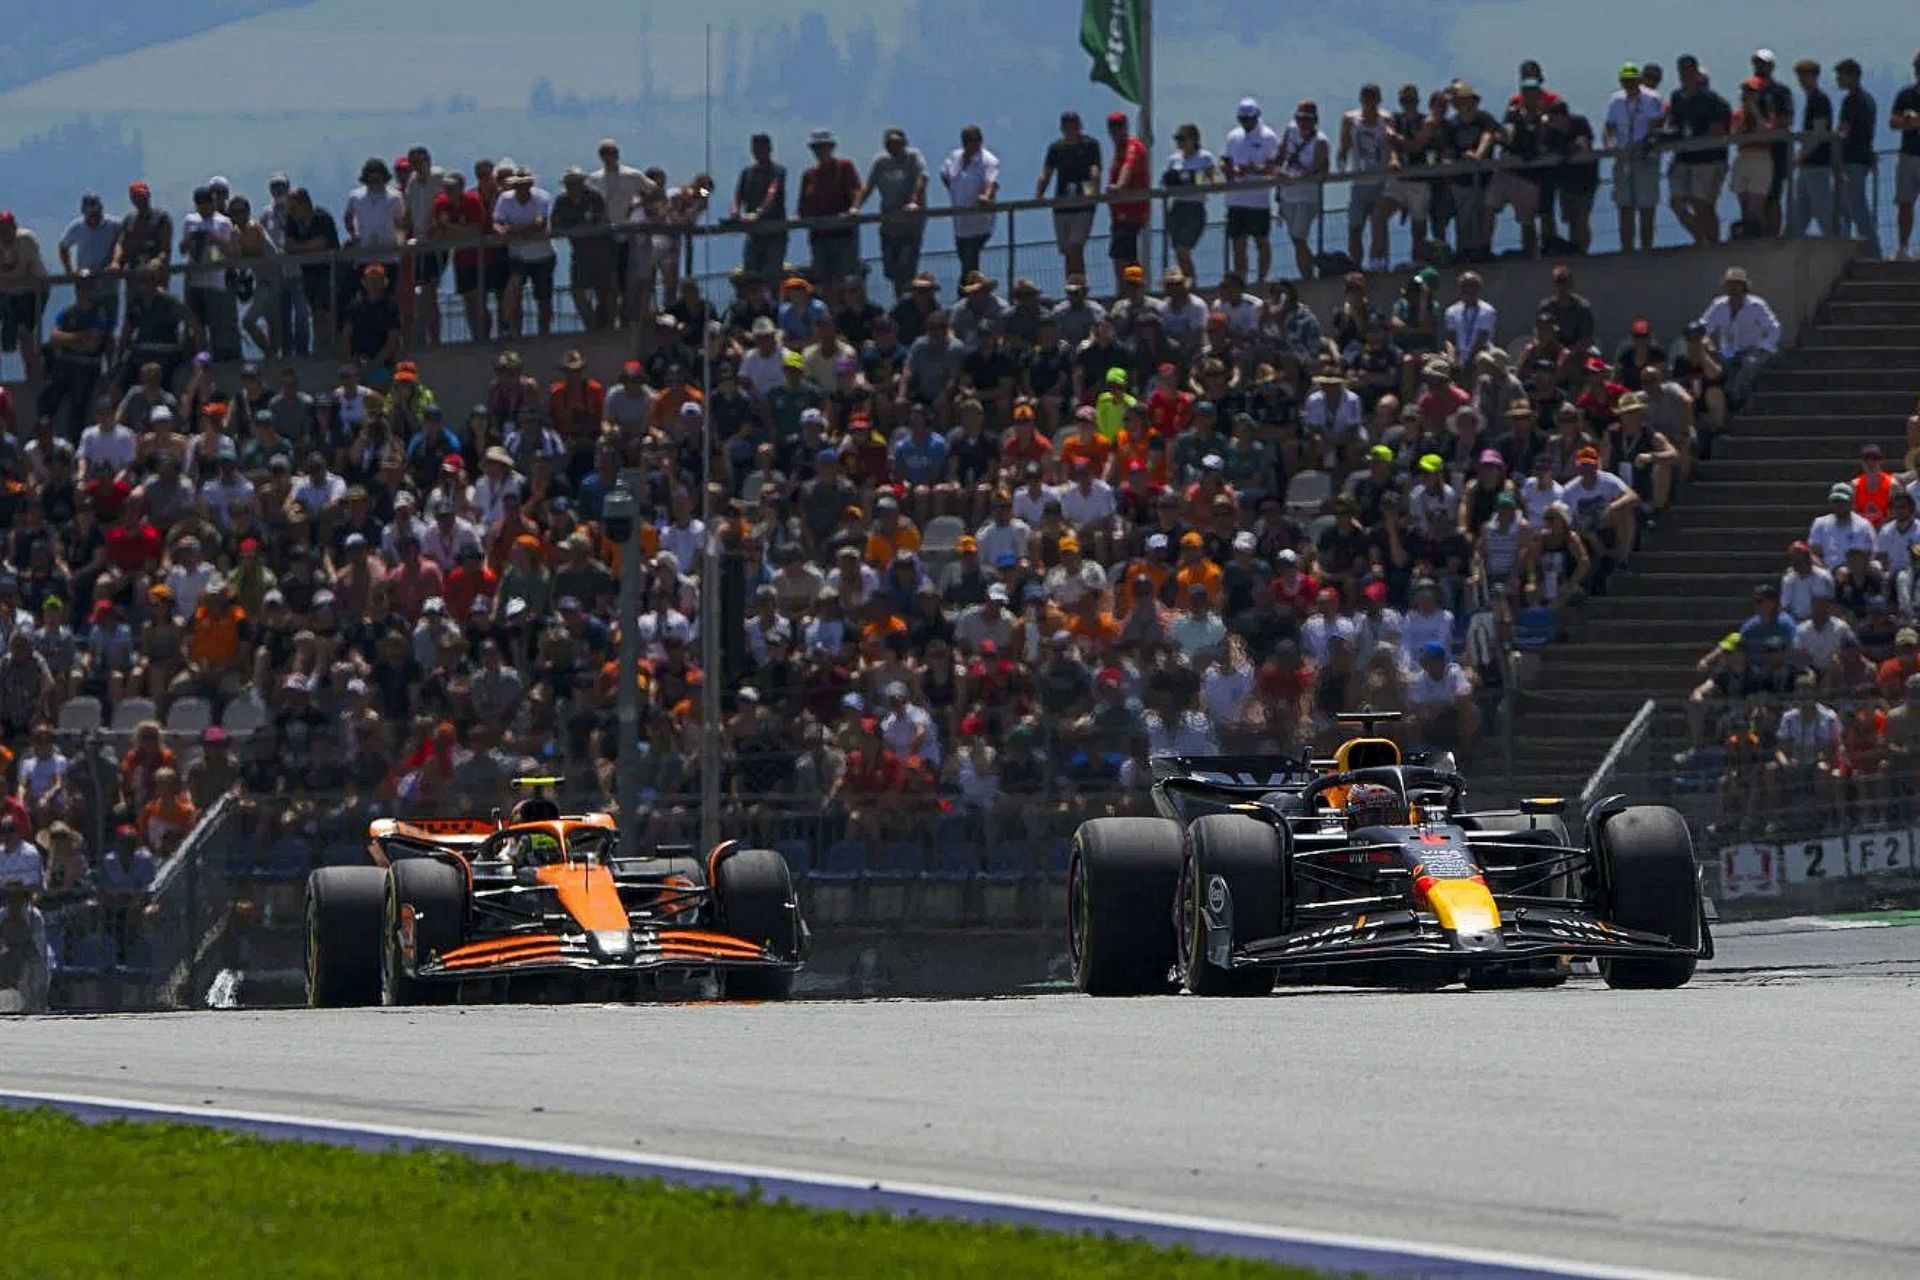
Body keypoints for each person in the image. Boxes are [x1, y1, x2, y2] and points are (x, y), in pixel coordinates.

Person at [1666, 56, 1731, 247]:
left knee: (1702, 203)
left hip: (1707, 159)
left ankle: (1712, 241)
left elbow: (1717, 131)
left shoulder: (1713, 101)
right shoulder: (1677, 97)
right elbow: (1674, 124)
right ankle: (1701, 238)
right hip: (1683, 157)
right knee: (1677, 202)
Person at [856, 127, 928, 298]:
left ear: (905, 143)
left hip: (910, 226)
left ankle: (910, 303)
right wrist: (856, 207)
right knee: (892, 271)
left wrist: (914, 202)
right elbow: (869, 186)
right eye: (890, 143)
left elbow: (922, 178)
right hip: (889, 225)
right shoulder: (881, 162)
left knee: (907, 268)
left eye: (898, 143)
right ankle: (900, 302)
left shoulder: (914, 157)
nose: (894, 147)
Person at [1604, 62, 1666, 252]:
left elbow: (1658, 123)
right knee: (1624, 205)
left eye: (1632, 81)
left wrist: (1646, 144)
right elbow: (1609, 126)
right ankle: (1627, 249)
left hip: (1645, 157)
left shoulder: (1652, 98)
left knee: (1647, 205)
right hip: (1623, 158)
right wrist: (1610, 145)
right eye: (1626, 81)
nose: (1629, 85)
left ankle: (1647, 248)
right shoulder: (1616, 100)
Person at [1695, 266, 1779, 406]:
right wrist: (1706, 341)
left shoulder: (1756, 305)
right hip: (1727, 351)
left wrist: (1764, 347)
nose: (1733, 288)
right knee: (1717, 365)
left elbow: (1774, 327)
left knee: (1749, 364)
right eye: (1730, 284)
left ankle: (1736, 398)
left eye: (1737, 284)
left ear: (1744, 286)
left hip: (1752, 349)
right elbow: (1703, 326)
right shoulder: (1718, 304)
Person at [1036, 110, 1101, 282]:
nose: (1071, 129)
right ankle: (1070, 285)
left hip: (1083, 204)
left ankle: (1080, 285)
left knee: (1075, 246)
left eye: (1074, 125)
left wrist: (1094, 192)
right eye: (1067, 126)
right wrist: (1039, 194)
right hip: (1062, 205)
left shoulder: (1090, 145)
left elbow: (1095, 170)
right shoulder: (1056, 148)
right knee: (1067, 250)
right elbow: (1047, 172)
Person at [1222, 97, 1281, 283]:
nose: (1246, 123)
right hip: (1236, 200)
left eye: (1249, 119)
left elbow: (1273, 167)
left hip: (1258, 201)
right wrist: (1228, 169)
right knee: (1238, 242)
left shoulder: (1268, 137)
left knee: (1261, 241)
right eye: (1243, 119)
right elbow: (1226, 159)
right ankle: (1242, 279)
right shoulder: (1233, 137)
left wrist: (1252, 169)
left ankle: (1262, 278)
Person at [1339, 84, 1394, 272]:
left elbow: (1392, 145)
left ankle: (1377, 264)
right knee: (1355, 227)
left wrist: (1392, 162)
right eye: (1366, 99)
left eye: (1373, 99)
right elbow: (1344, 146)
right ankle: (1355, 265)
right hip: (1359, 181)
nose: (1369, 103)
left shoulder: (1385, 120)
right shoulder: (1351, 120)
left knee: (1378, 225)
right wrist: (1341, 166)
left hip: (1380, 181)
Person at [799, 128, 863, 288]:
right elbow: (803, 204)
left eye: (824, 146)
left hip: (844, 235)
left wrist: (854, 209)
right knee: (823, 282)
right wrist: (800, 217)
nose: (820, 151)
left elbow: (856, 191)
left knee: (847, 281)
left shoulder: (845, 166)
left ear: (831, 147)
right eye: (816, 147)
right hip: (819, 237)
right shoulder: (809, 174)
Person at [1276, 100, 1330, 279]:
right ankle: (1307, 270)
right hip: (1287, 194)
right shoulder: (1290, 130)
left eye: (1307, 119)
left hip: (1307, 197)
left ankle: (1309, 272)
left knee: (1299, 237)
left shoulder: (1320, 141)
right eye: (1299, 118)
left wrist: (1295, 178)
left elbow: (1315, 169)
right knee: (1295, 238)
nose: (1302, 123)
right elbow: (1281, 155)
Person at [1834, 59, 1882, 259]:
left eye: (1841, 75)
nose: (1838, 80)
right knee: (1848, 205)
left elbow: (1844, 130)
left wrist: (1833, 142)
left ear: (1851, 75)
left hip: (1852, 159)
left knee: (1855, 206)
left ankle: (1872, 251)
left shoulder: (1851, 101)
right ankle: (1856, 247)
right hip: (1862, 158)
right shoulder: (1868, 100)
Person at [940, 125, 1000, 280]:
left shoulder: (988, 160)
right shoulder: (955, 157)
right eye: (967, 140)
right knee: (965, 260)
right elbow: (945, 174)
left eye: (975, 140)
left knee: (970, 261)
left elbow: (991, 182)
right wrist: (953, 190)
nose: (972, 144)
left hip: (980, 223)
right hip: (960, 223)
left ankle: (966, 295)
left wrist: (985, 197)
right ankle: (971, 292)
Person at [1161, 123, 1217, 284]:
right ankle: (1187, 283)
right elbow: (1166, 182)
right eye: (1177, 139)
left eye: (1182, 139)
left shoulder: (1204, 157)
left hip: (1194, 207)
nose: (1179, 143)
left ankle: (1192, 285)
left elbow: (1214, 180)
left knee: (1183, 250)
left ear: (1193, 139)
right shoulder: (1174, 159)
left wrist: (1195, 178)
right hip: (1178, 206)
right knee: (1178, 251)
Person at [731, 133, 788, 284]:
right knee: (751, 277)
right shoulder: (747, 173)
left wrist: (757, 215)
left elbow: (772, 194)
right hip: (754, 235)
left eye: (762, 148)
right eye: (755, 149)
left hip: (774, 234)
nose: (758, 152)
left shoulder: (778, 171)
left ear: (770, 149)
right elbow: (738, 195)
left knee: (771, 278)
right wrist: (735, 211)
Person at [1893, 51, 1920, 259]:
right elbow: (1893, 122)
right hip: (1908, 155)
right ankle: (1903, 247)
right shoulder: (1906, 95)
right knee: (1905, 203)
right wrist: (1907, 122)